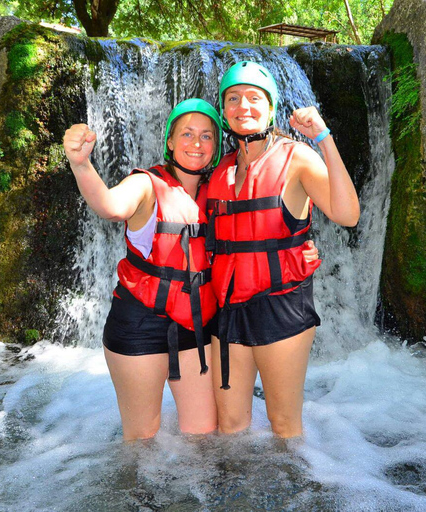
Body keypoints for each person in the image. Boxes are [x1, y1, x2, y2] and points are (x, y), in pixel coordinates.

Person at [63, 98, 319, 441]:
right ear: (170, 141)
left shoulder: (221, 189)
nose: (196, 143)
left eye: (206, 136)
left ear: (216, 146)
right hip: (141, 323)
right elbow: (111, 205)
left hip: (195, 328)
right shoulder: (146, 185)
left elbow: (261, 228)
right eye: (186, 134)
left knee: (204, 436)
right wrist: (81, 165)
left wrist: (298, 252)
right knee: (142, 439)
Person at [207, 61, 360, 439]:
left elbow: (348, 214)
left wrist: (324, 138)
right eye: (233, 98)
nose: (244, 105)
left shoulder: (297, 158)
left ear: (271, 108)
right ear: (224, 110)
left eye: (254, 98)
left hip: (282, 304)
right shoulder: (219, 170)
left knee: (284, 425)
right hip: (228, 306)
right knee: (230, 426)